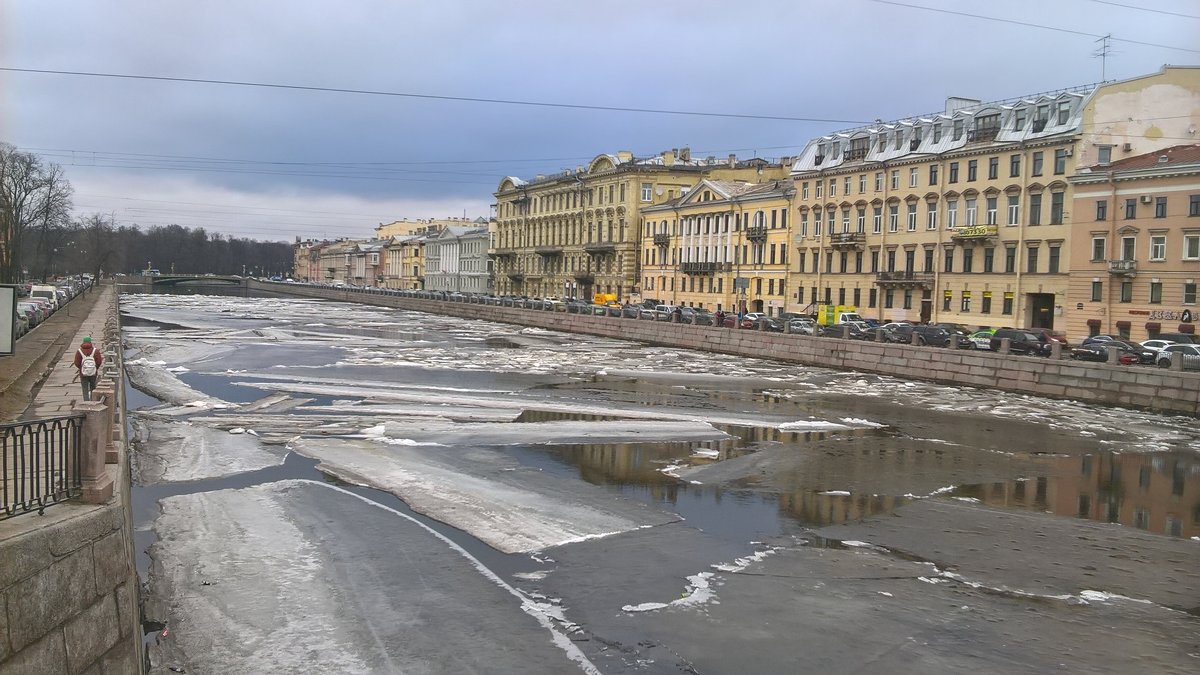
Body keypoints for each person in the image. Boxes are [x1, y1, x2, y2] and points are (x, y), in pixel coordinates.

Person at [73, 336, 103, 401]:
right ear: (90, 342)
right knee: (93, 386)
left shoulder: (79, 351)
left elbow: (76, 362)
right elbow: (99, 361)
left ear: (83, 342)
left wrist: (81, 368)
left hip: (83, 373)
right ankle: (93, 400)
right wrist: (95, 368)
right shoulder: (95, 351)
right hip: (93, 372)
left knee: (85, 388)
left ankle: (86, 401)